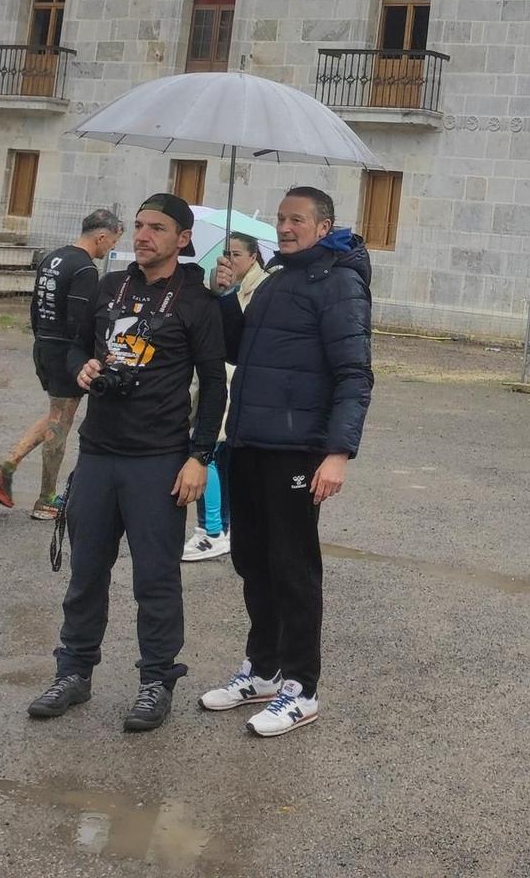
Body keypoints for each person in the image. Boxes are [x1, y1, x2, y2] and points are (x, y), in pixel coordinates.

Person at [26, 193, 225, 733]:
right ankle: (73, 672)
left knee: (156, 581)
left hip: (158, 462)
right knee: (86, 573)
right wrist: (84, 367)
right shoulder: (109, 287)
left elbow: (213, 387)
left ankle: (156, 680)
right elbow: (72, 349)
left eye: (156, 228)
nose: (142, 236)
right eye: (137, 226)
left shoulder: (196, 301)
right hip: (98, 455)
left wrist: (199, 457)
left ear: (182, 240)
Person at [199, 186, 373, 738]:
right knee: (253, 560)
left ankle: (301, 687)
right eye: (280, 219)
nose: (286, 227)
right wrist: (223, 298)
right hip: (249, 442)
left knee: (293, 569)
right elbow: (238, 350)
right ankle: (265, 668)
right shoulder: (273, 279)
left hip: (297, 451)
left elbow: (354, 374)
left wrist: (338, 454)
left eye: (297, 219)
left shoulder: (340, 283)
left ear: (324, 226)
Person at [0, 209, 123, 519]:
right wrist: (95, 355)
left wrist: (42, 340)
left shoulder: (53, 257)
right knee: (61, 425)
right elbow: (81, 321)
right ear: (101, 236)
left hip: (44, 345)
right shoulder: (85, 269)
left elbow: (35, 306)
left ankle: (5, 469)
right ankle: (46, 499)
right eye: (112, 241)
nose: (110, 248)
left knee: (55, 415)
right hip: (66, 354)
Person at [185, 231, 269, 563]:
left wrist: (228, 294)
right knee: (221, 455)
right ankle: (222, 528)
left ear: (253, 257)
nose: (229, 260)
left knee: (208, 453)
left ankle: (212, 531)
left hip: (233, 382)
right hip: (217, 378)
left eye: (237, 254)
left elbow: (240, 336)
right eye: (227, 254)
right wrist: (217, 292)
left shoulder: (261, 289)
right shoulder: (224, 285)